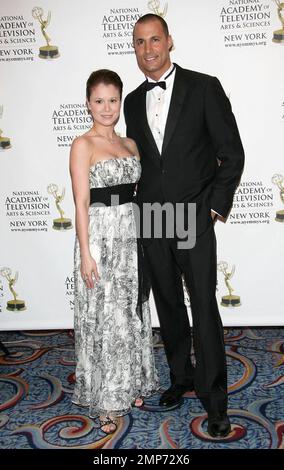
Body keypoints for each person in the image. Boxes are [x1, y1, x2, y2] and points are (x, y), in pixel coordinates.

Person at [124, 14, 245, 438]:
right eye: (139, 42)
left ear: (169, 41)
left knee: (204, 309)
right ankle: (181, 377)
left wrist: (212, 208)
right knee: (169, 304)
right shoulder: (132, 101)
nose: (148, 49)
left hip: (193, 216)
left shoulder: (203, 86)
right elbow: (144, 164)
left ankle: (215, 401)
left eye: (154, 39)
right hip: (153, 218)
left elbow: (232, 153)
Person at [70, 69, 158, 434]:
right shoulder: (83, 145)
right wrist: (87, 254)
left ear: (120, 102)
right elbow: (80, 203)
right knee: (105, 317)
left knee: (130, 311)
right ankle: (106, 400)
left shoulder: (131, 144)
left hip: (132, 236)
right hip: (101, 240)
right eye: (99, 101)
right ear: (88, 104)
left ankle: (131, 381)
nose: (107, 108)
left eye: (113, 100)